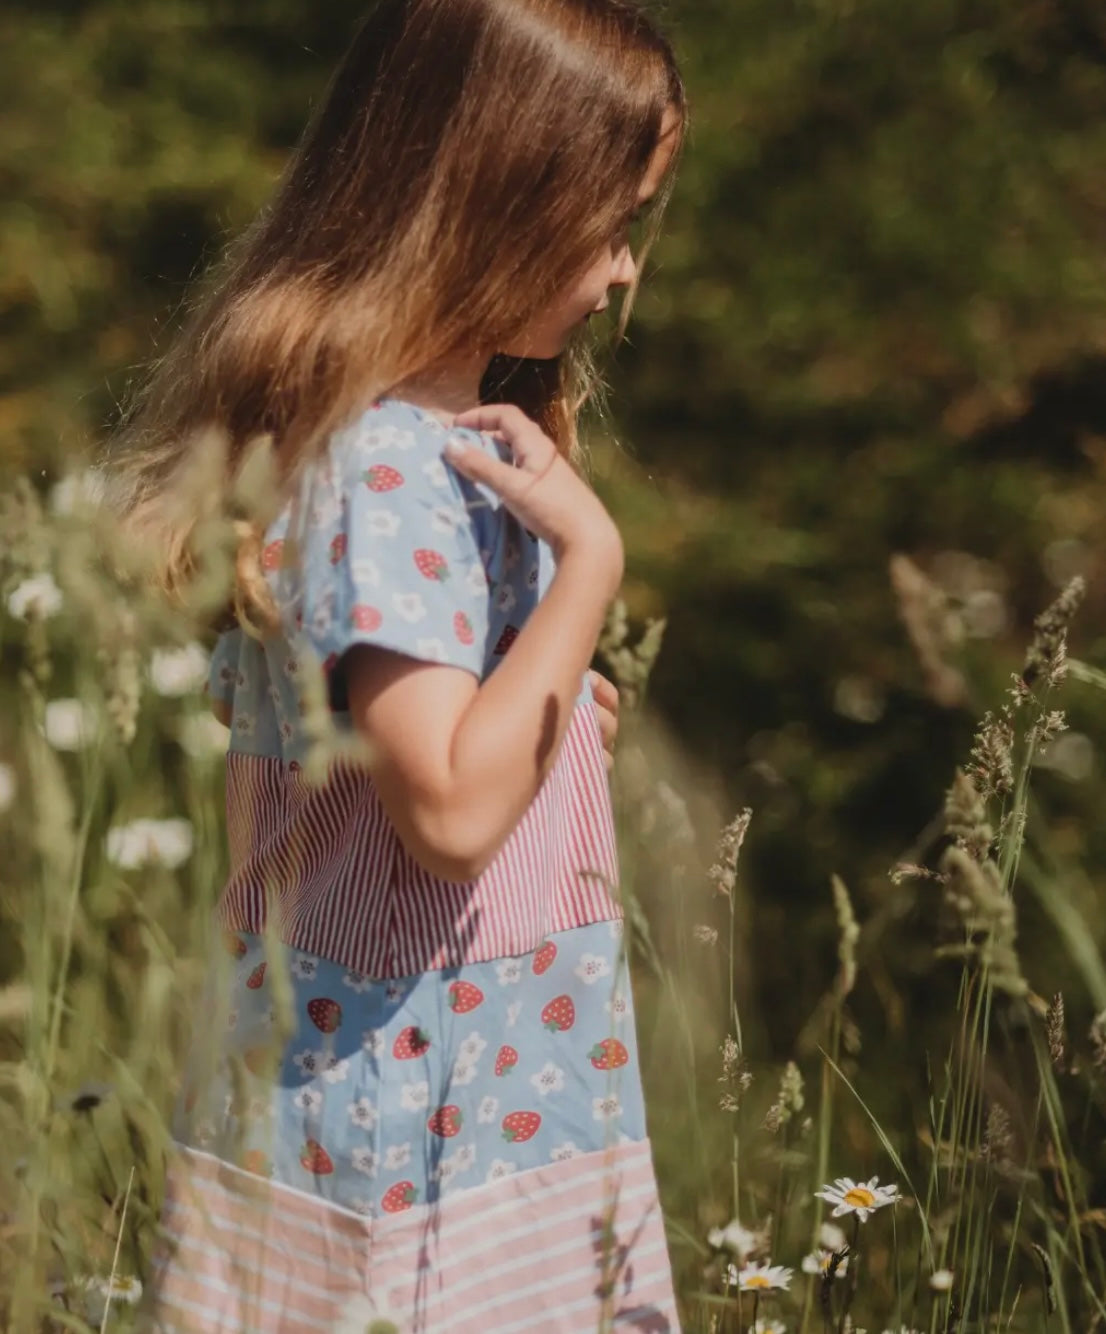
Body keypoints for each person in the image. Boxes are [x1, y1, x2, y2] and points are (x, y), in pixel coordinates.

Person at [110, 1, 685, 1329]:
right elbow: (445, 812)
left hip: (478, 1099)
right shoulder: (387, 466)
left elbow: (422, 751)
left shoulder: (423, 440)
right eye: (611, 224)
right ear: (503, 204)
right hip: (410, 1125)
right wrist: (585, 570)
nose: (619, 273)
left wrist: (539, 712)